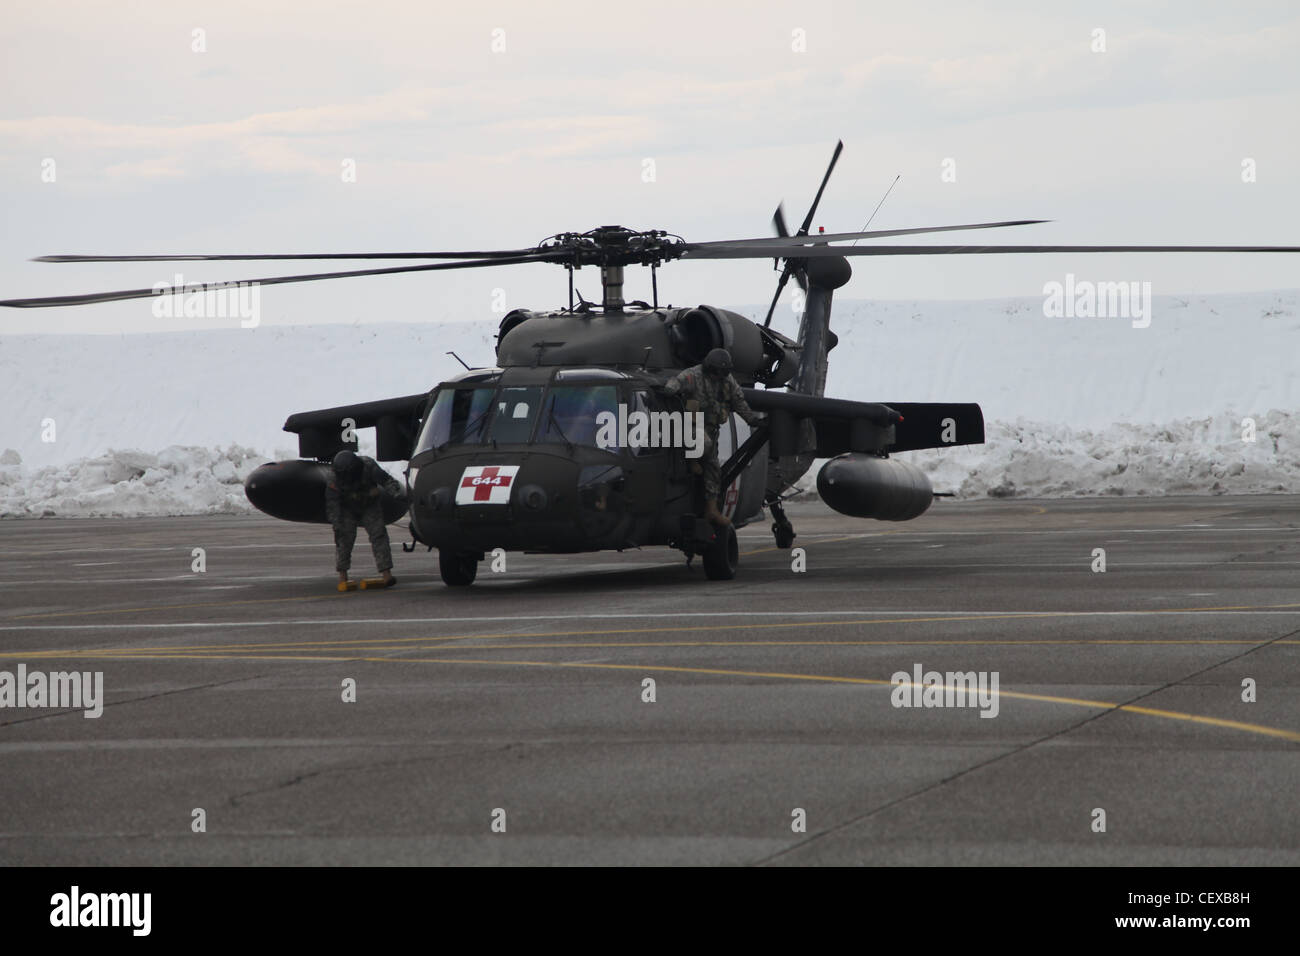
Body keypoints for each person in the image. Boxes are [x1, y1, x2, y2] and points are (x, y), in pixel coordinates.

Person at [664, 348, 763, 526]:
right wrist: (670, 389)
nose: (720, 376)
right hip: (691, 429)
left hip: (712, 429)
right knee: (704, 443)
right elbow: (675, 383)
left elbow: (739, 401)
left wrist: (753, 420)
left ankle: (712, 510)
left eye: (723, 372)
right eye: (717, 372)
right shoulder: (693, 376)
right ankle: (692, 459)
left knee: (714, 470)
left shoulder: (727, 381)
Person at [326, 449, 404, 590]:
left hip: (369, 505)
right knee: (343, 538)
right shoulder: (334, 476)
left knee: (379, 535)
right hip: (347, 508)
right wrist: (336, 523)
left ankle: (386, 573)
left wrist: (396, 494)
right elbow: (333, 503)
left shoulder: (368, 466)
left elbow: (386, 480)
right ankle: (342, 575)